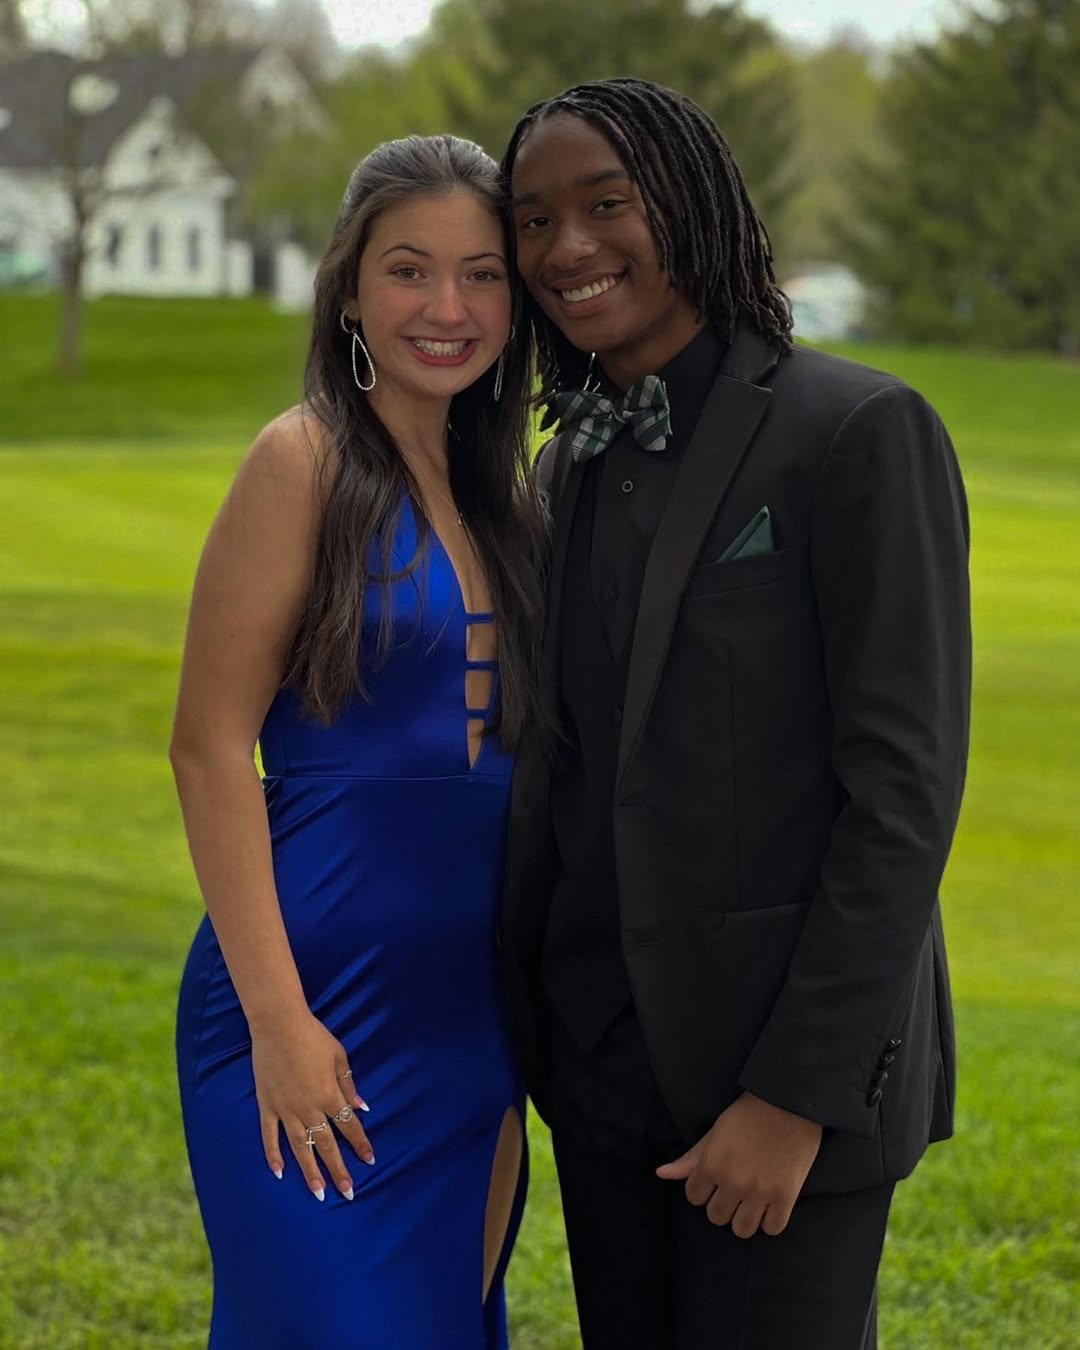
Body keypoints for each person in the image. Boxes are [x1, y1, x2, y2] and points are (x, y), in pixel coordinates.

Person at [500, 78, 971, 1350]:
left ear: (692, 206)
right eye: (534, 220)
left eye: (607, 204)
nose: (569, 247)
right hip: (601, 1077)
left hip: (779, 1095)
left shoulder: (858, 430)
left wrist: (794, 1097)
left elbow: (904, 795)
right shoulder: (568, 460)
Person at [171, 134, 546, 1349]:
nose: (448, 308)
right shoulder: (303, 461)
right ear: (348, 289)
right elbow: (208, 748)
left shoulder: (514, 497)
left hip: (473, 1017)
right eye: (409, 270)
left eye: (482, 275)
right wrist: (280, 1024)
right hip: (310, 999)